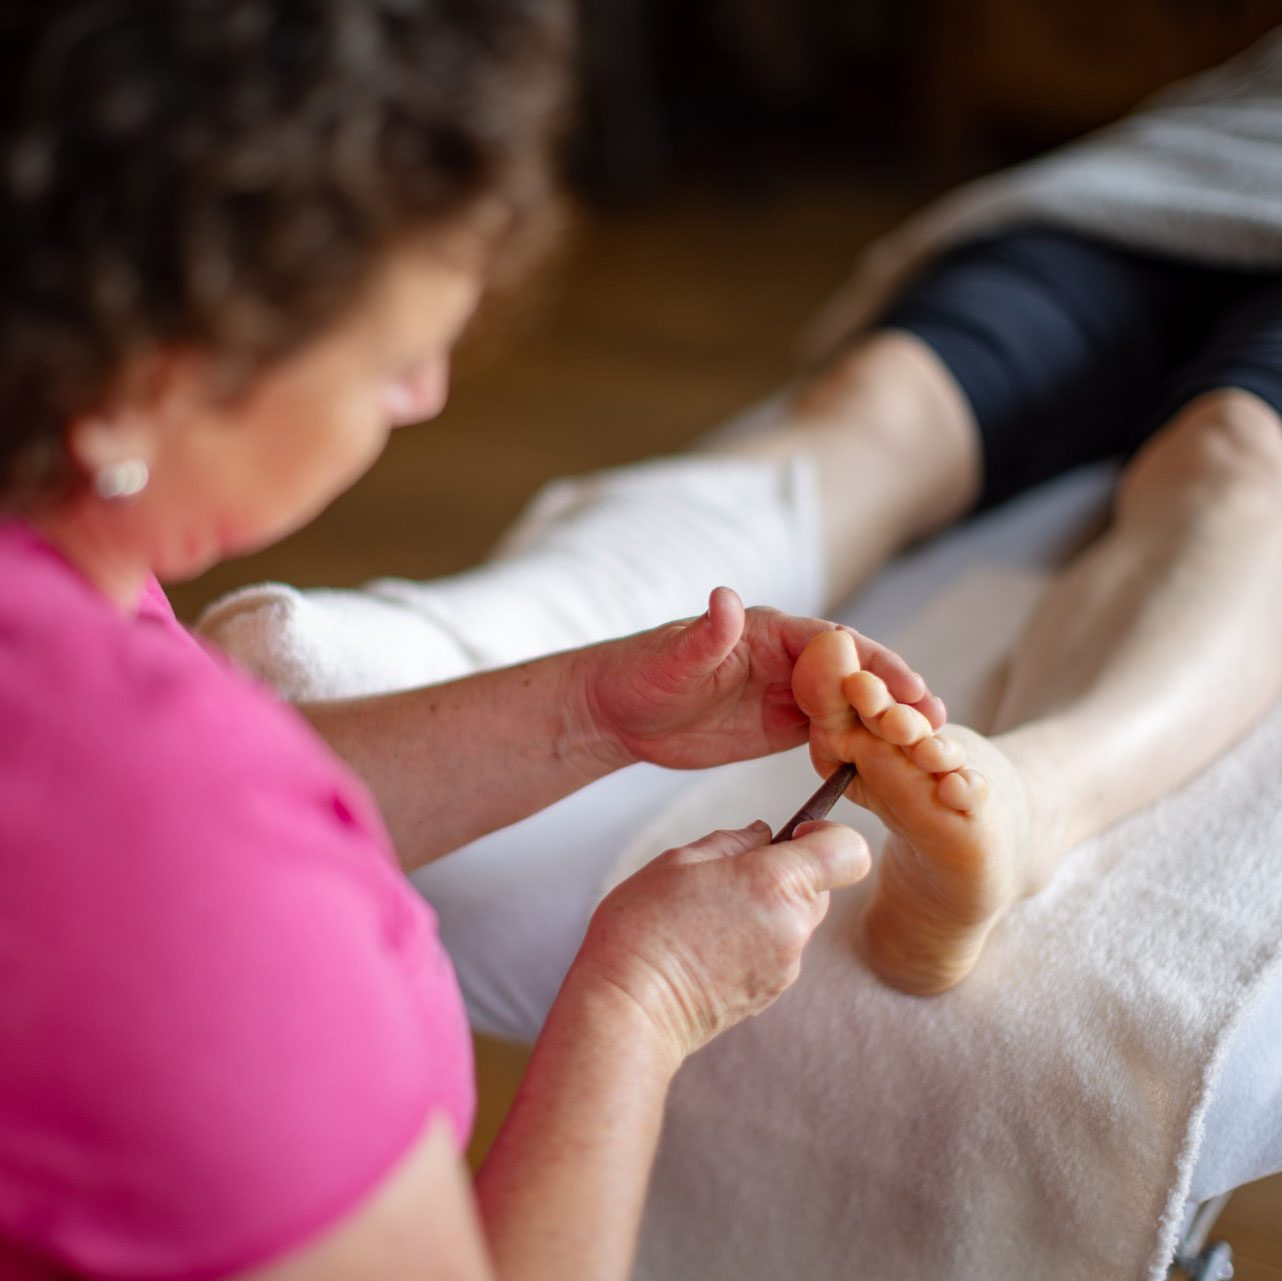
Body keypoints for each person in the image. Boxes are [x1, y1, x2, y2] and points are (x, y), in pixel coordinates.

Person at [0, 3, 956, 1278]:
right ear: (162, 374)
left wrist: (593, 713)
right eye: (390, 359)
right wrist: (640, 1001)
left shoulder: (57, 546)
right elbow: (165, 864)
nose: (424, 396)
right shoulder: (162, 871)